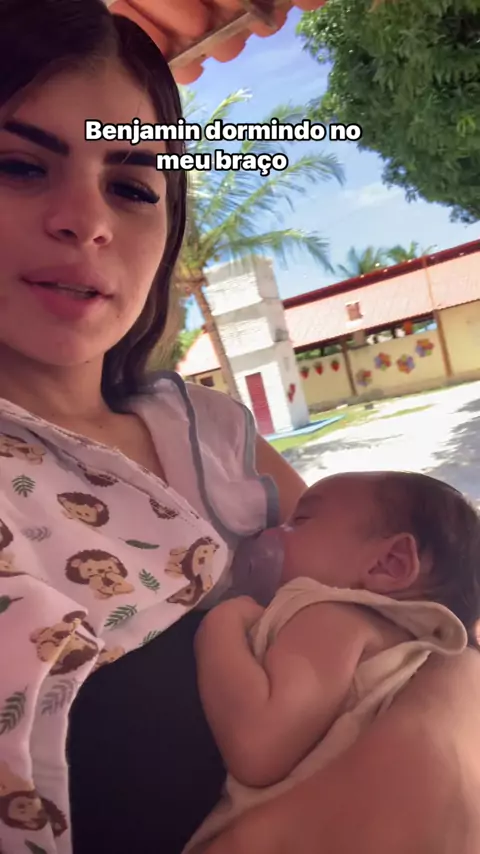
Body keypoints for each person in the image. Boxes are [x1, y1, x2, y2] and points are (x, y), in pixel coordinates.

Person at [0, 2, 479, 854]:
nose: (87, 220)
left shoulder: (210, 429)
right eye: (19, 166)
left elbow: (429, 601)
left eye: (132, 187)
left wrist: (439, 721)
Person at [186, 471, 480, 850]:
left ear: (388, 564)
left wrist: (220, 624)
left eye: (299, 520)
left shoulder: (333, 614)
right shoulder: (410, 649)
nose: (270, 532)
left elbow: (259, 746)